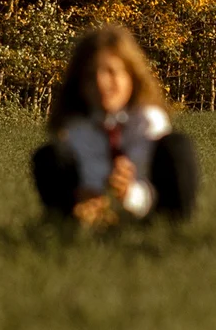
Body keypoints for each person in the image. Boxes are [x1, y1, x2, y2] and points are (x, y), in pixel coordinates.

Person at [31, 24, 198, 228]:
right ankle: (65, 227)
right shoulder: (75, 126)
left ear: (131, 75)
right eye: (91, 75)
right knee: (48, 157)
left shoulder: (147, 120)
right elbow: (85, 171)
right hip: (89, 208)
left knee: (177, 147)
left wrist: (127, 193)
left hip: (149, 207)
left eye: (111, 72)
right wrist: (89, 197)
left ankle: (175, 228)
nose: (101, 83)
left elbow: (149, 180)